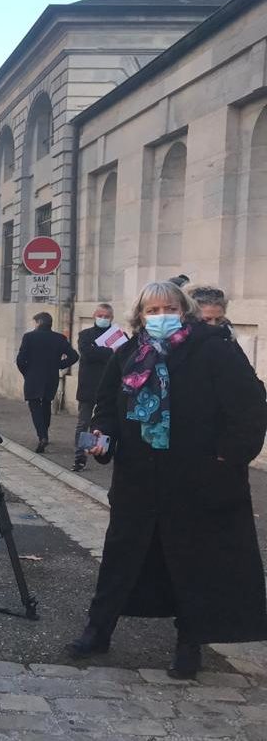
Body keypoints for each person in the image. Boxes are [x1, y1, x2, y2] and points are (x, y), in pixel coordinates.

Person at [69, 281, 267, 679]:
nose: (161, 316)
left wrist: (227, 457)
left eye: (169, 308)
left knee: (191, 563)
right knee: (121, 559)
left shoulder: (213, 348)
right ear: (140, 316)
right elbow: (107, 407)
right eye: (152, 310)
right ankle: (98, 630)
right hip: (138, 479)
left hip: (197, 478)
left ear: (185, 310)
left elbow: (249, 406)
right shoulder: (127, 352)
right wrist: (102, 439)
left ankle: (189, 642)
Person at [15, 312, 79, 453]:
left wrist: (26, 372)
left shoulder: (29, 337)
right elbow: (74, 356)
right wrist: (59, 365)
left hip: (33, 376)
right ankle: (45, 433)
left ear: (38, 322)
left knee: (34, 405)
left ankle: (42, 435)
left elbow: (20, 359)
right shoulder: (59, 338)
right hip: (51, 377)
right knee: (46, 403)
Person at [72, 304, 116, 472]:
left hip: (109, 386)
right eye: (100, 315)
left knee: (104, 423)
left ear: (111, 318)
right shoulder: (85, 335)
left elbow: (120, 355)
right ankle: (80, 457)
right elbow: (87, 354)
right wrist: (109, 351)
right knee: (83, 423)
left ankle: (102, 452)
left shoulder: (118, 335)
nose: (103, 318)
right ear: (94, 315)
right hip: (88, 386)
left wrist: (100, 351)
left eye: (106, 316)